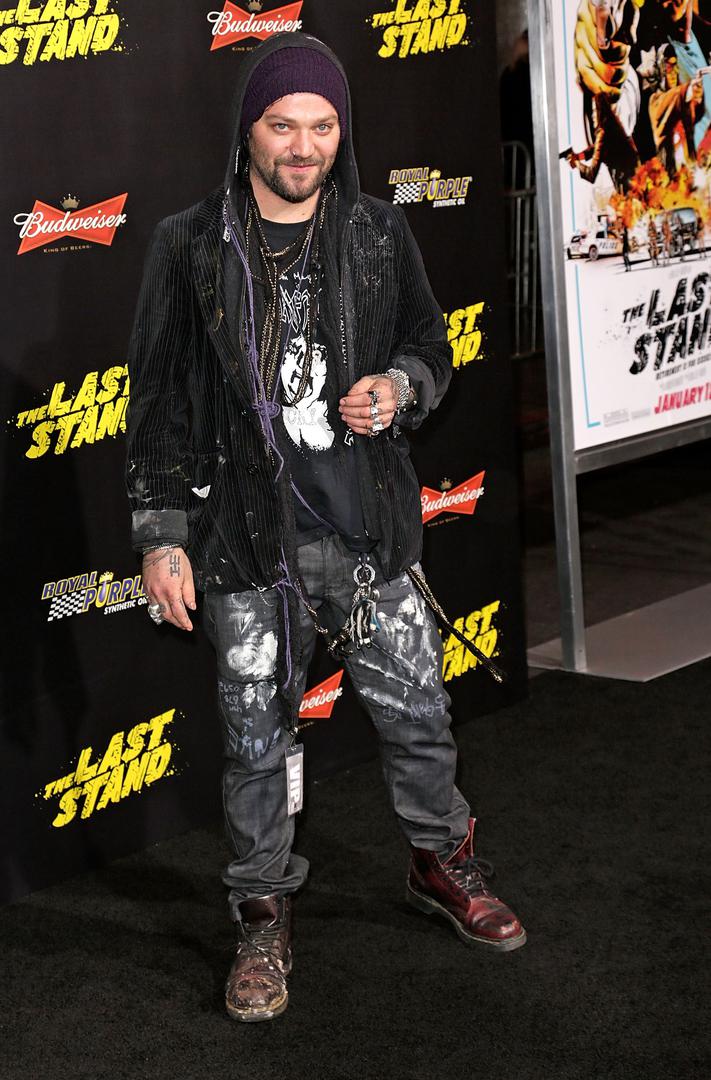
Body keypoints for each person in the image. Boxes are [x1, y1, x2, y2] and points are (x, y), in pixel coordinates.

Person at [126, 32, 526, 1024]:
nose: (302, 146)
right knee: (256, 742)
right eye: (281, 125)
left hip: (362, 539)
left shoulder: (378, 232)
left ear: (340, 133)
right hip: (241, 545)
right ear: (247, 133)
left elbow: (430, 347)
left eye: (320, 126)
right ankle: (262, 916)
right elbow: (158, 405)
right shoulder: (188, 246)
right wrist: (161, 536)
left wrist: (399, 388)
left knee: (419, 717)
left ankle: (440, 865)